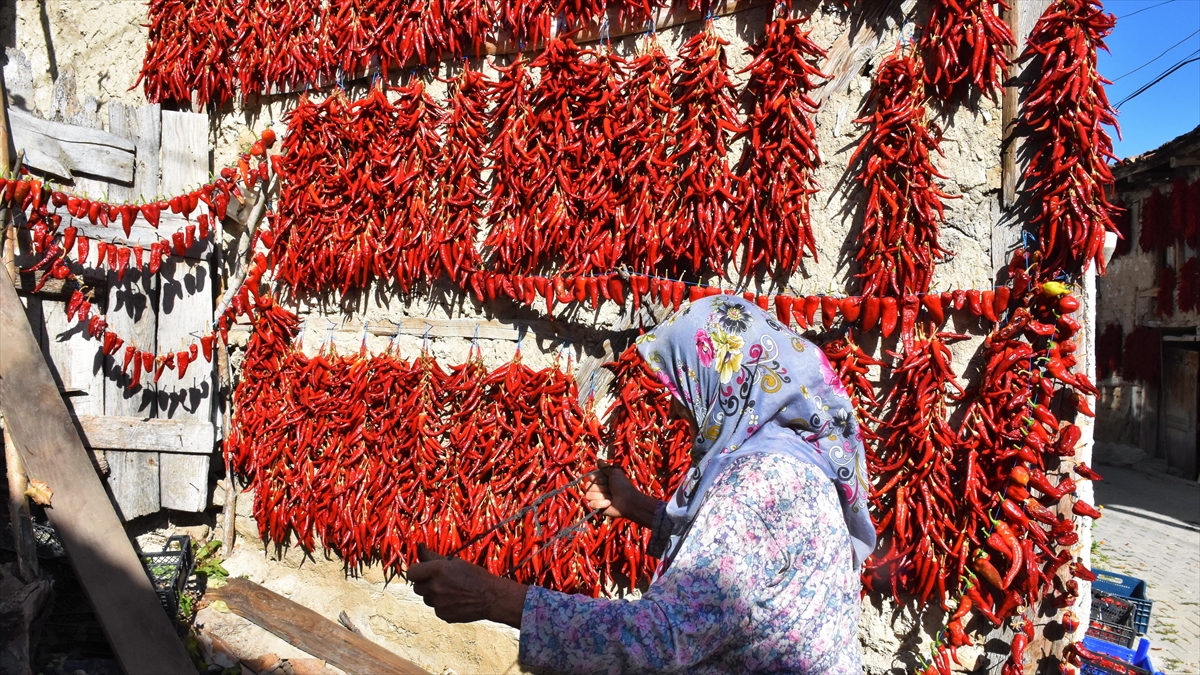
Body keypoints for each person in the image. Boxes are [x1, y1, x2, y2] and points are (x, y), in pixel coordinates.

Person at [409, 295, 876, 674]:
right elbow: (751, 565)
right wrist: (637, 507)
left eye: (684, 385)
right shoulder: (795, 462)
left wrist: (494, 598)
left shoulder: (758, 486)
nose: (674, 409)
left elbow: (659, 639)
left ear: (725, 381)